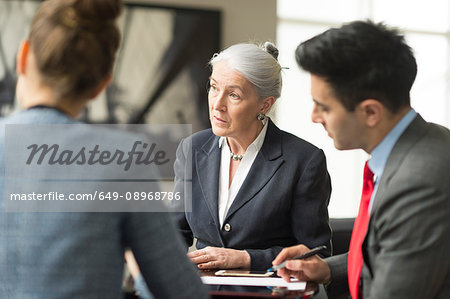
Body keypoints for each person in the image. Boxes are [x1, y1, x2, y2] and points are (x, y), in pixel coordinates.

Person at [0, 0, 209, 298]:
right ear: (101, 85)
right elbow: (182, 293)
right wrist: (139, 265)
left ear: (22, 57)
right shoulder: (123, 159)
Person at [272, 20, 450, 299]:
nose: (314, 117)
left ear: (370, 112)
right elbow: (392, 252)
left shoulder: (417, 182)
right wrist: (328, 269)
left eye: (324, 107)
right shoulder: (429, 140)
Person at [174, 42, 332, 271]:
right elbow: (175, 233)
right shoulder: (191, 149)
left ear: (265, 104)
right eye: (214, 87)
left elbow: (316, 254)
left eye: (234, 95)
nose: (217, 105)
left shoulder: (304, 161)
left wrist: (245, 258)